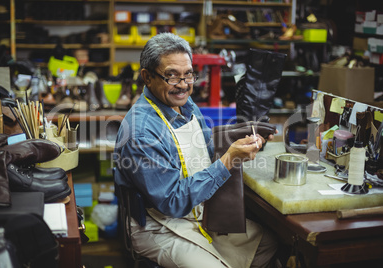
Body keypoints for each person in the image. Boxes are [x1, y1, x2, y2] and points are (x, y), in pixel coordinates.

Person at [114, 32, 280, 268]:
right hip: (159, 225)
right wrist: (229, 159)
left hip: (196, 211)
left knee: (268, 243)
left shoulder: (185, 105)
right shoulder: (141, 131)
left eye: (188, 74)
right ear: (147, 77)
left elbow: (207, 146)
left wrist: (249, 137)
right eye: (171, 76)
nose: (183, 85)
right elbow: (172, 201)